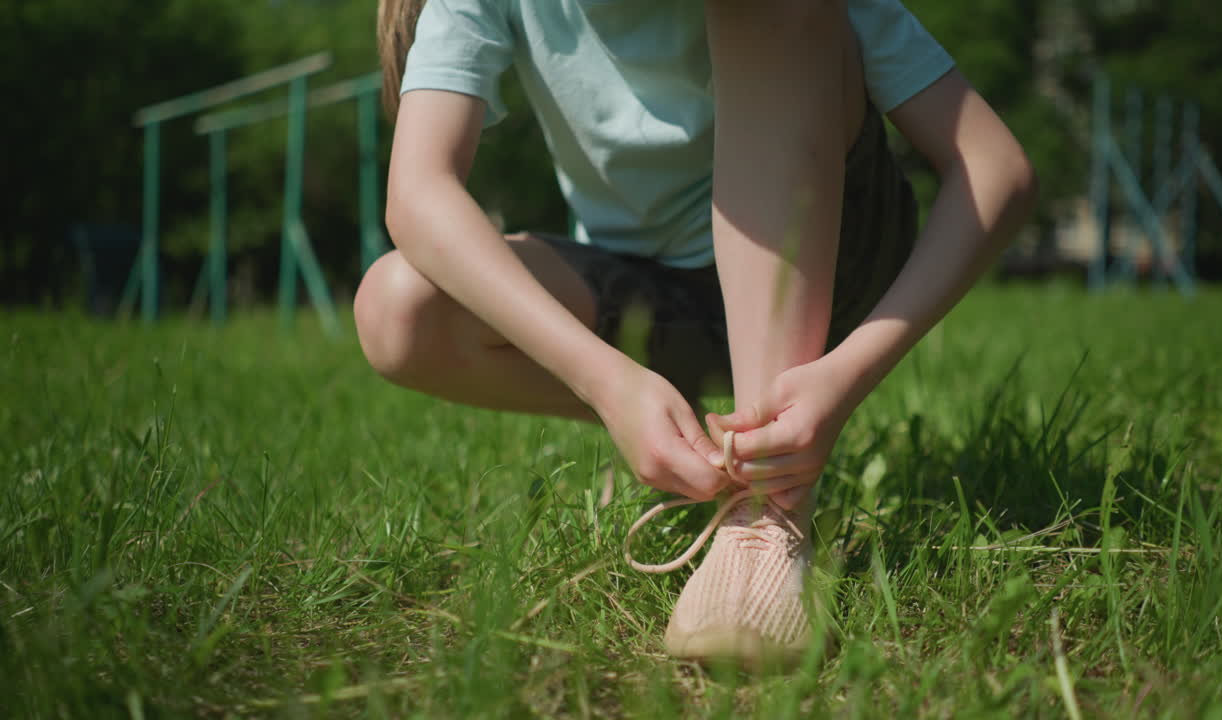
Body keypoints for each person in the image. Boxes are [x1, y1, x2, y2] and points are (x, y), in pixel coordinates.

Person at [357, 0, 1037, 667]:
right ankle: (695, 433)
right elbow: (417, 194)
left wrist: (853, 368)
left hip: (833, 269)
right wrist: (607, 383)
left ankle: (770, 512)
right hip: (651, 299)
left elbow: (994, 169)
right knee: (400, 307)